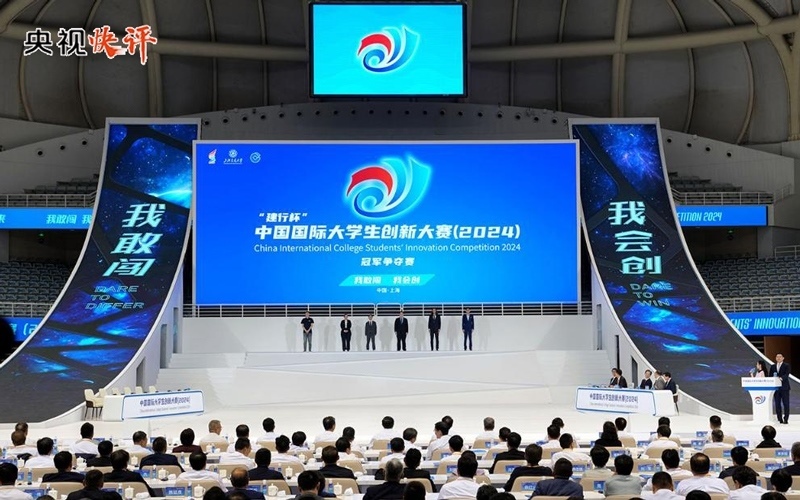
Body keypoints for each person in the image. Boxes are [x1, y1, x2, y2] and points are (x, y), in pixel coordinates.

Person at [770, 353, 791, 424]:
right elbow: (770, 375)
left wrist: (780, 379)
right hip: (776, 388)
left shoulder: (786, 365)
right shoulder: (773, 366)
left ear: (783, 358)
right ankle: (780, 419)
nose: (778, 358)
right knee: (777, 404)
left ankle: (786, 419)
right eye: (777, 357)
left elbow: (786, 374)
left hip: (784, 387)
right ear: (775, 358)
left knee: (786, 404)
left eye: (780, 357)